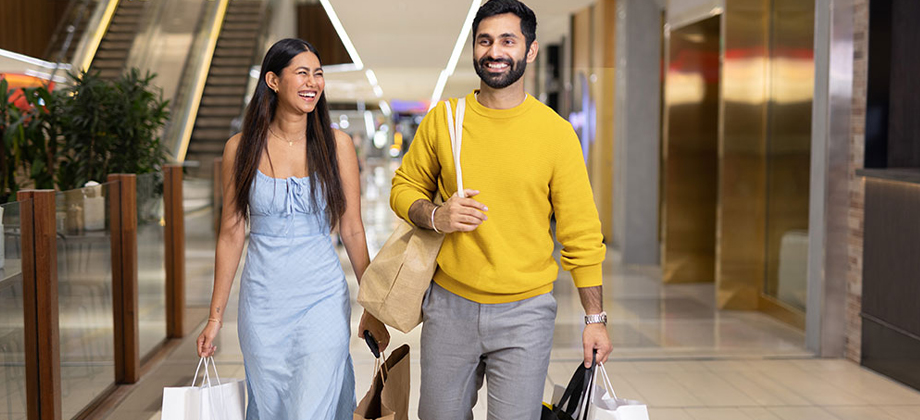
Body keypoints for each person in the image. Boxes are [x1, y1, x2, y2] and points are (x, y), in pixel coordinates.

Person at [389, 0, 613, 418]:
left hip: (526, 312)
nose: (494, 51)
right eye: (485, 41)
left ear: (530, 50)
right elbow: (403, 187)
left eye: (508, 41)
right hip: (449, 304)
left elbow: (581, 232)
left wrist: (594, 318)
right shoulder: (444, 120)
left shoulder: (555, 134)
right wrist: (436, 216)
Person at [196, 38, 389, 420]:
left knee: (311, 407)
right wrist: (215, 317)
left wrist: (373, 306)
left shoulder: (337, 146)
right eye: (302, 73)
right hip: (263, 302)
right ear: (273, 80)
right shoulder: (240, 148)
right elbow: (231, 233)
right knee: (271, 407)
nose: (313, 82)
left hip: (321, 298)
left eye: (318, 74)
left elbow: (352, 229)